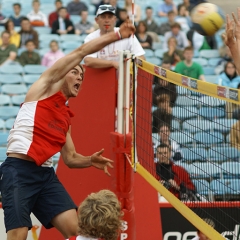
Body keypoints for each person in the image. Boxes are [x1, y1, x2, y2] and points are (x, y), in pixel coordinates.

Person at [0, 18, 135, 240]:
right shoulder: (43, 88)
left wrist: (90, 160)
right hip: (18, 170)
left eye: (82, 76)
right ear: (62, 74)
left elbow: (71, 158)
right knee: (18, 235)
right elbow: (81, 51)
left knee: (77, 229)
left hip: (44, 175)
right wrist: (117, 35)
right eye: (74, 72)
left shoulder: (65, 118)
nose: (79, 78)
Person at [84, 4, 145, 69]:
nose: (107, 20)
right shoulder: (91, 37)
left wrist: (127, 64)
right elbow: (88, 60)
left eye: (110, 17)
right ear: (97, 20)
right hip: (100, 76)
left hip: (124, 75)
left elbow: (141, 57)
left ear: (115, 19)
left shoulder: (125, 33)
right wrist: (112, 63)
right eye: (103, 17)